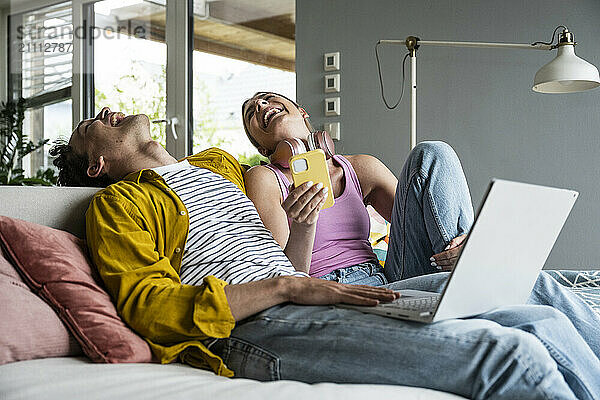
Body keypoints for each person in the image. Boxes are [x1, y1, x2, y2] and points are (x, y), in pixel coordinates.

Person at [50, 106, 600, 400]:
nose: (106, 110)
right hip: (259, 327)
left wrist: (303, 230)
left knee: (540, 310)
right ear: (96, 165)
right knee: (513, 356)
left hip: (316, 296)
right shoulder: (119, 206)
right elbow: (149, 307)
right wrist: (288, 287)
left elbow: (286, 256)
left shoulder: (215, 167)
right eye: (92, 124)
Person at [242, 92, 473, 284]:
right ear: (263, 149)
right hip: (327, 289)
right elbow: (284, 278)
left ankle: (464, 260)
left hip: (386, 279)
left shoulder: (360, 167)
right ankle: (464, 282)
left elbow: (418, 224)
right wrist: (304, 224)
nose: (261, 105)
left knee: (433, 152)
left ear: (302, 112)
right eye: (251, 113)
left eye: (268, 98)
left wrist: (464, 244)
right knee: (457, 292)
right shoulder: (264, 178)